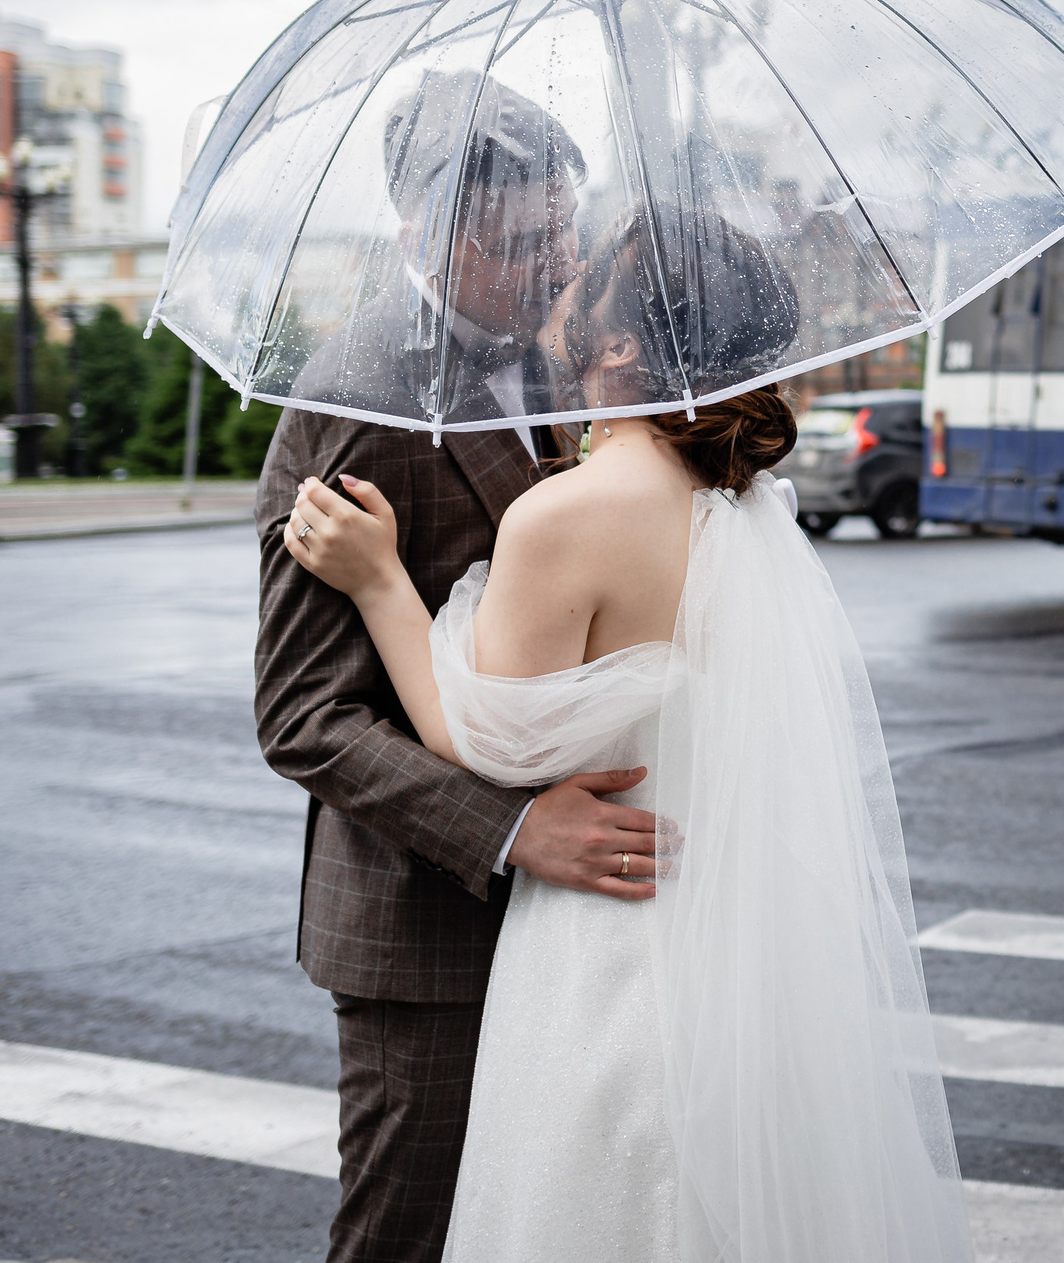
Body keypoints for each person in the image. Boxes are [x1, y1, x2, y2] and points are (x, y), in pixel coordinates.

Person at [280, 208, 971, 1262]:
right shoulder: (741, 500)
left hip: (604, 949)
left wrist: (379, 583)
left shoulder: (567, 514)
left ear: (618, 347)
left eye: (585, 268)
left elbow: (484, 738)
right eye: (542, 238)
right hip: (726, 935)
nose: (562, 270)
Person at [254, 72, 637, 1263]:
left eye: (565, 227)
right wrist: (517, 831)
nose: (558, 264)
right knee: (405, 1238)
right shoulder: (360, 396)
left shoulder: (583, 359)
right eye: (521, 243)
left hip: (590, 921)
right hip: (430, 928)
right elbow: (305, 717)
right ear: (423, 232)